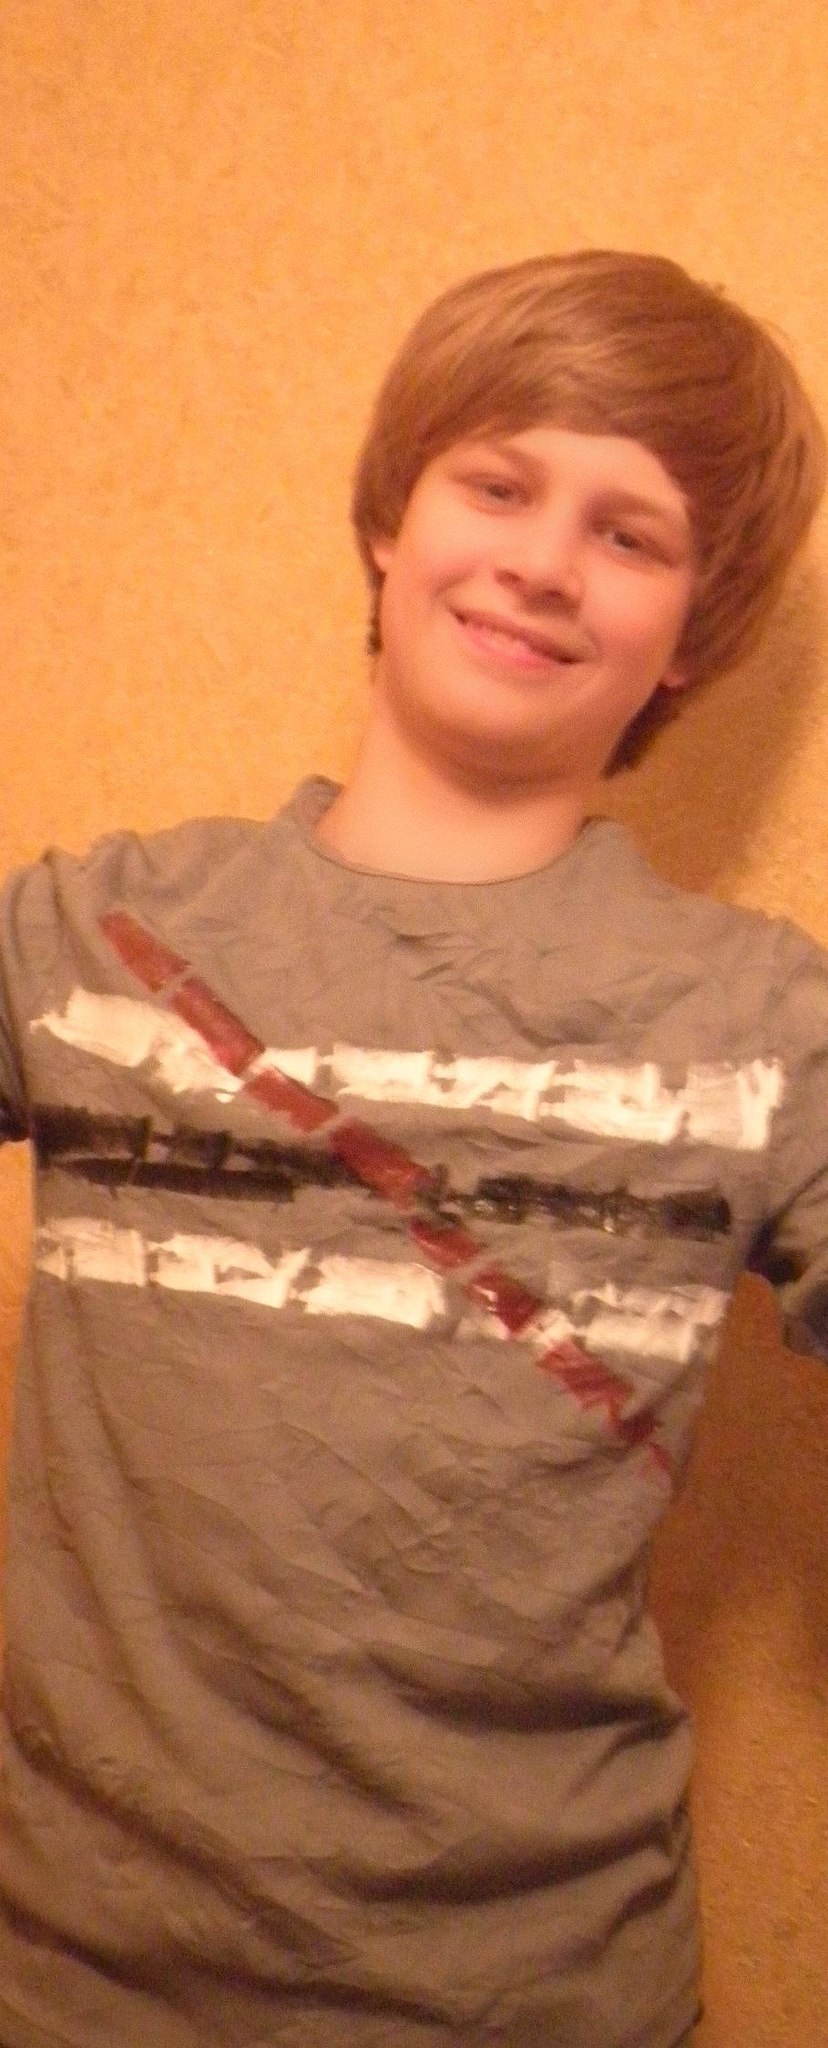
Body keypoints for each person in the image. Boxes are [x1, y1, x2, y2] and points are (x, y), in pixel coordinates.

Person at [0, 250, 825, 2048]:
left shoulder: (768, 1026)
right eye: (500, 484)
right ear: (391, 518)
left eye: (631, 533)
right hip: (69, 1988)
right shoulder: (87, 939)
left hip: (540, 2000)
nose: (544, 562)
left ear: (695, 633)